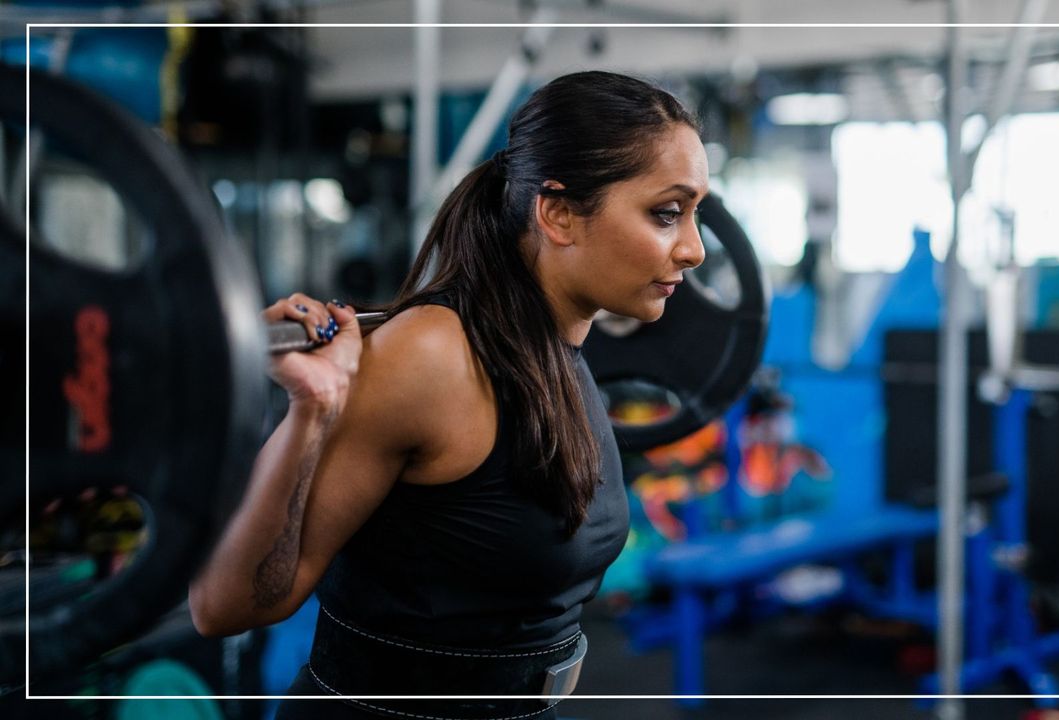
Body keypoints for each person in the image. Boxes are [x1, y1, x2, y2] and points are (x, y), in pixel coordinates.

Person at [188, 70, 708, 719]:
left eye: (695, 214)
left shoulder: (554, 353)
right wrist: (312, 409)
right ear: (559, 213)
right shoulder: (431, 356)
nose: (693, 249)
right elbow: (227, 604)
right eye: (666, 213)